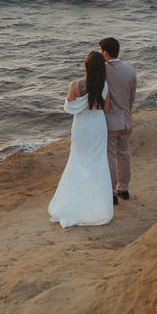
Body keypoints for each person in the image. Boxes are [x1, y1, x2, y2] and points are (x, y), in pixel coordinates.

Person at [47, 50, 114, 228]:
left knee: (78, 162)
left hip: (82, 126)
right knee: (98, 162)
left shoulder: (75, 85)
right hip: (98, 125)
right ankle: (98, 206)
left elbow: (69, 106)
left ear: (86, 66)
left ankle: (75, 204)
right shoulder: (105, 86)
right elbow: (106, 108)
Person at [99, 37, 138, 202]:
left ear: (106, 52)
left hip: (110, 121)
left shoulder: (103, 71)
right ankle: (124, 189)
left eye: (101, 51)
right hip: (126, 119)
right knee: (124, 154)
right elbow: (131, 98)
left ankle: (112, 192)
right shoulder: (130, 70)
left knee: (110, 156)